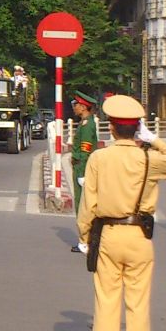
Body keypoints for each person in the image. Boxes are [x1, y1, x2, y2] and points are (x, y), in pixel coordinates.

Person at [76, 94, 166, 331]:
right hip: (140, 236)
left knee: (106, 302)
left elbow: (88, 205)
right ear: (138, 128)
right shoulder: (148, 159)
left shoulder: (99, 158)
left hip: (108, 236)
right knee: (138, 305)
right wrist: (155, 141)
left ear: (111, 128)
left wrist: (85, 236)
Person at [69, 92, 99, 253]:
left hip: (83, 167)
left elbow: (85, 151)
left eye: (76, 104)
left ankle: (86, 241)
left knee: (83, 206)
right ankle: (87, 239)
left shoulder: (87, 125)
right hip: (81, 166)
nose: (74, 108)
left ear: (83, 106)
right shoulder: (85, 123)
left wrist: (81, 173)